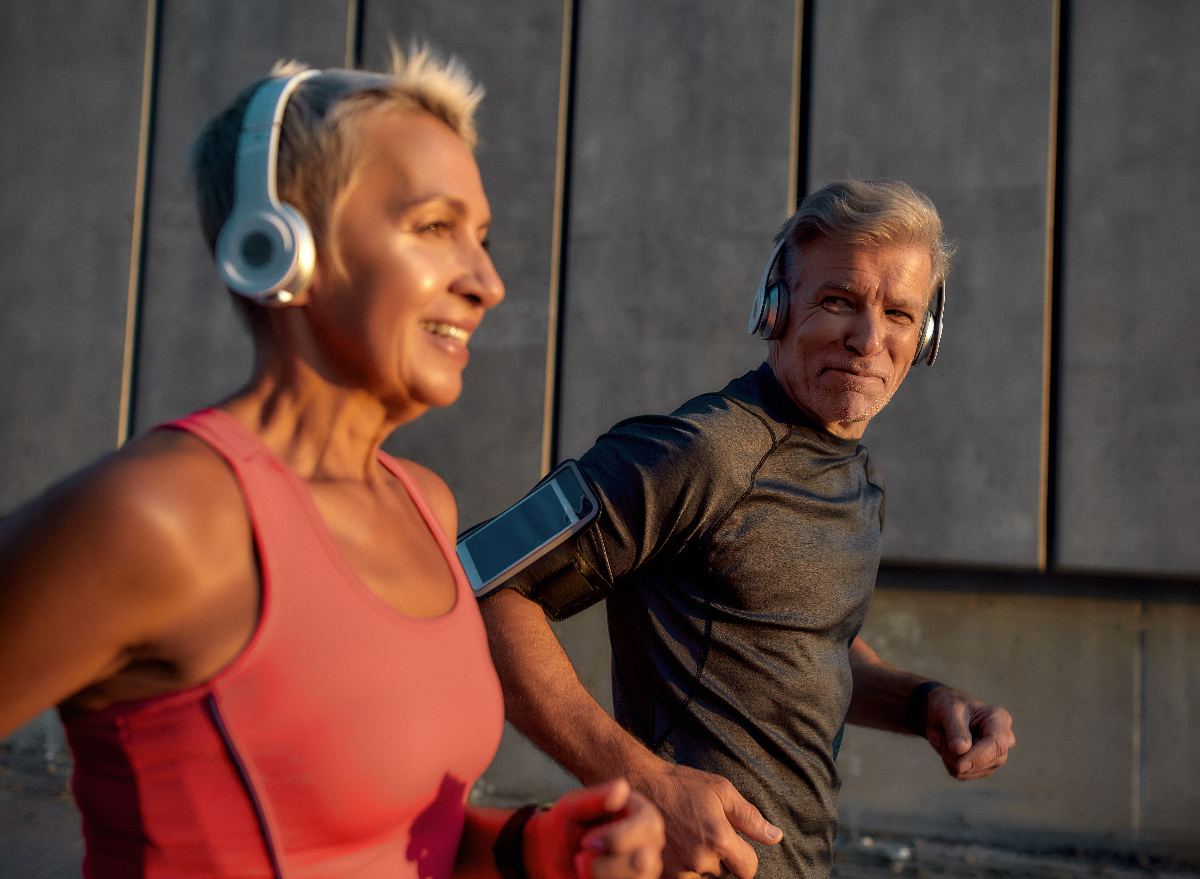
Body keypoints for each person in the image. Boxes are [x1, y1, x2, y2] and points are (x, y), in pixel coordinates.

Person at [0, 49, 664, 879]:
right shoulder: (166, 515)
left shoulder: (425, 505)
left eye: (482, 238)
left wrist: (534, 850)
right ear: (279, 246)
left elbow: (391, 840)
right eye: (433, 227)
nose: (487, 282)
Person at [479, 179, 1016, 879]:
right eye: (838, 301)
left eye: (899, 313)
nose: (867, 339)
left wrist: (925, 702)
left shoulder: (856, 477)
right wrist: (642, 780)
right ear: (776, 306)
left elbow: (804, 646)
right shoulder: (705, 451)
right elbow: (485, 586)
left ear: (928, 337)